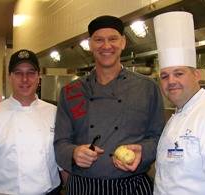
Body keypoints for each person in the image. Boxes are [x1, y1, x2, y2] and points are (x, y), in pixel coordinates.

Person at [54, 15, 165, 195]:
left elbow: (159, 137)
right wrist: (73, 153)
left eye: (113, 39)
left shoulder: (146, 88)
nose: (106, 46)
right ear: (90, 44)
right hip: (82, 188)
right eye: (99, 40)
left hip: (132, 187)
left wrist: (143, 152)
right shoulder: (70, 91)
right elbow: (60, 143)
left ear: (123, 42)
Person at [153, 11, 205, 195]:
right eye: (164, 76)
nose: (171, 81)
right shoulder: (176, 118)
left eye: (179, 73)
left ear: (197, 75)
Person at [0, 49, 63, 195]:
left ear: (38, 77)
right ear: (10, 77)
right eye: (18, 73)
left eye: (31, 73)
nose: (25, 79)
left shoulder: (55, 113)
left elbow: (63, 161)